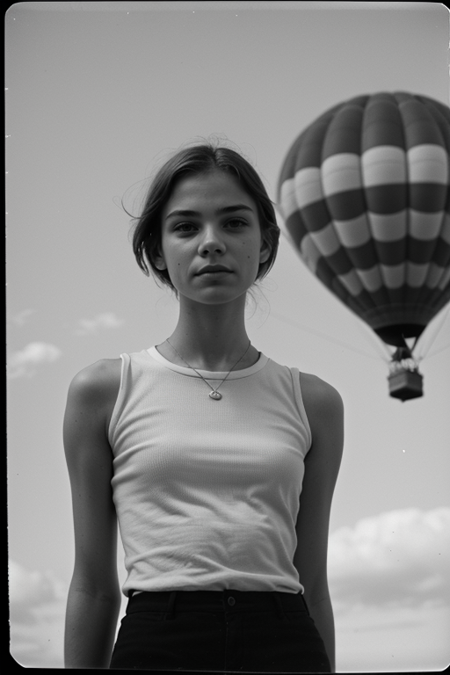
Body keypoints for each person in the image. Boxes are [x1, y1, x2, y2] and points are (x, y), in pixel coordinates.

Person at [63, 142, 344, 673]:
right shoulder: (102, 390)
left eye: (234, 224)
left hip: (286, 643)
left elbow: (314, 585)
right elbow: (95, 587)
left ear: (265, 244)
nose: (211, 243)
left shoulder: (315, 401)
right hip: (156, 641)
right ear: (156, 250)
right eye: (186, 227)